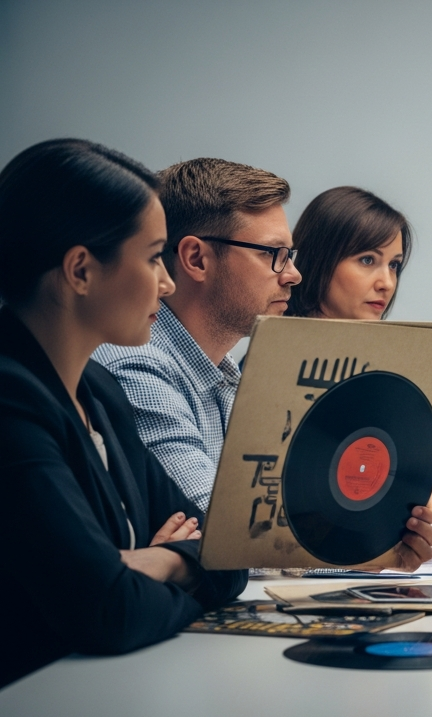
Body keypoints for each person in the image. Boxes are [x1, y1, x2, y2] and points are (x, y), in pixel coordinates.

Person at [94, 161, 432, 570]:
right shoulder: (139, 365)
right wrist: (362, 552)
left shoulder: (224, 369)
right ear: (196, 259)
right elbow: (237, 538)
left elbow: (267, 526)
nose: (294, 275)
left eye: (290, 255)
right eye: (274, 255)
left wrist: (378, 546)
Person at [0, 139, 247, 685]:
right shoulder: (10, 404)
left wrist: (155, 562)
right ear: (81, 271)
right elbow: (109, 611)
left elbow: (227, 548)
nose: (167, 282)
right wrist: (173, 575)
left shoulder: (99, 389)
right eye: (155, 256)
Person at [287, 186, 432, 524]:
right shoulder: (279, 362)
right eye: (367, 260)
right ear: (317, 260)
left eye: (394, 265)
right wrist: (425, 504)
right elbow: (297, 510)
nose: (387, 282)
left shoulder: (374, 364)